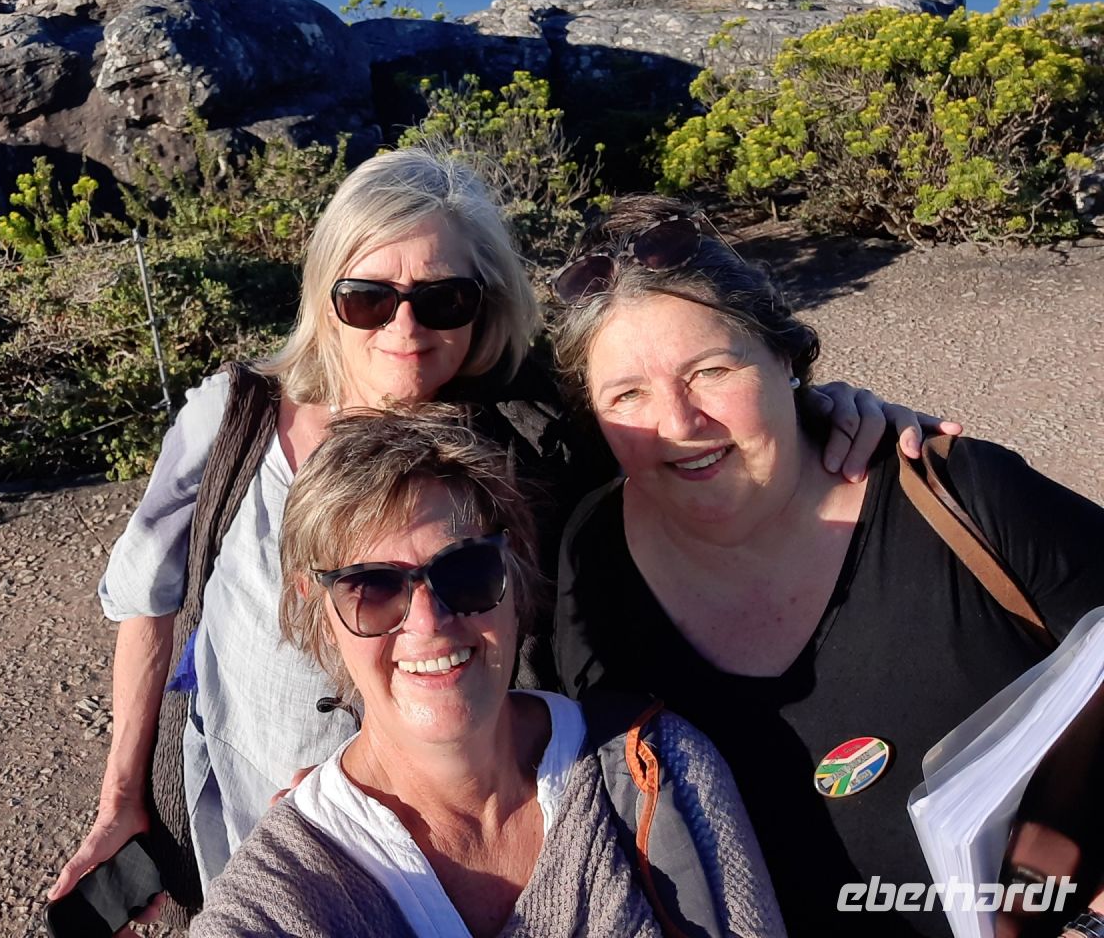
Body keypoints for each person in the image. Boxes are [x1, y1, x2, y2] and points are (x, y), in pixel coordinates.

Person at [48, 148, 929, 909]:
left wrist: (821, 413)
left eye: (443, 299)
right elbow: (147, 597)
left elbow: (683, 426)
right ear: (325, 295)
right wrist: (122, 796)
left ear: (487, 304)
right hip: (259, 807)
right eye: (367, 298)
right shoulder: (236, 420)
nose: (405, 328)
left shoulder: (534, 435)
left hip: (470, 842)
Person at [548, 194, 1104, 936]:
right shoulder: (593, 561)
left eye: (711, 370)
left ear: (783, 355)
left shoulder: (958, 499)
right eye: (628, 394)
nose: (679, 424)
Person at [193, 407, 785, 938]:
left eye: (466, 570)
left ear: (516, 575)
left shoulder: (659, 771)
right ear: (320, 613)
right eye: (371, 587)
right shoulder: (285, 890)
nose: (428, 621)